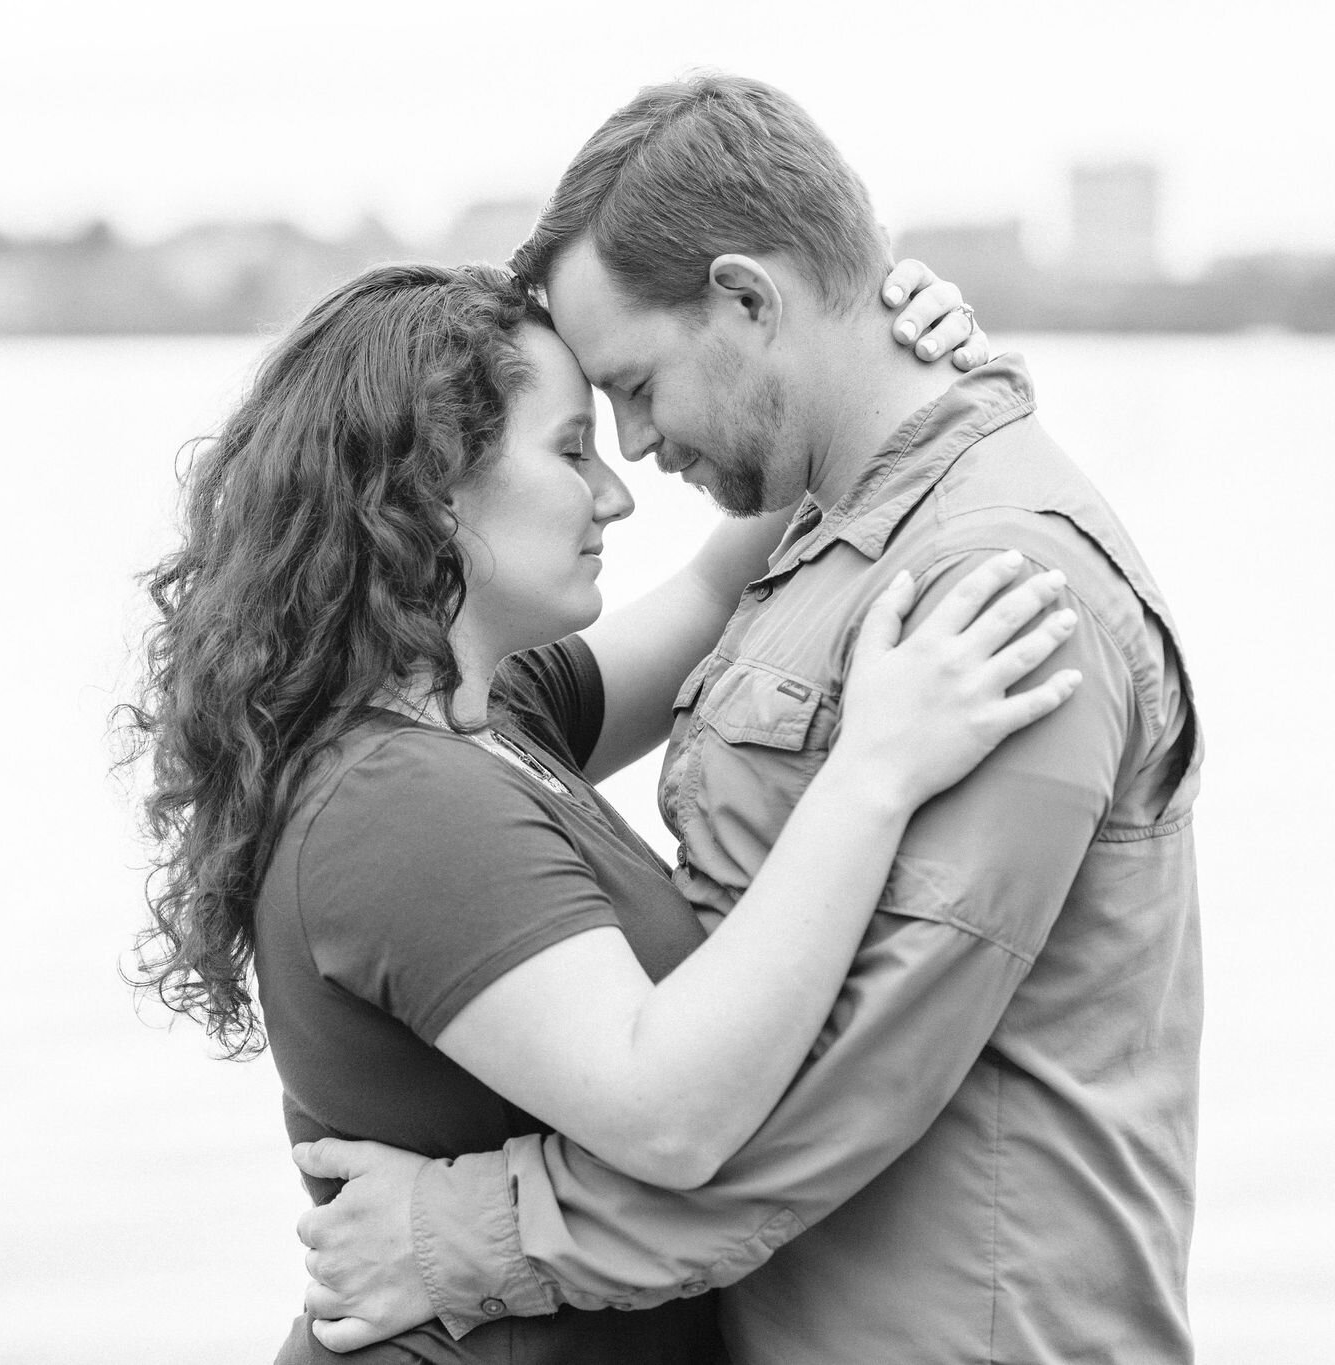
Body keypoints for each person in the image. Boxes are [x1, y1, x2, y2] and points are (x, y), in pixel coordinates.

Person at [290, 75, 1202, 1365]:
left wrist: (466, 1237)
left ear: (745, 298)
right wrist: (938, 367)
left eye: (636, 386)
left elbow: (850, 1077)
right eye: (584, 430)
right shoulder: (828, 533)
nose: (632, 448)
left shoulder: (993, 587)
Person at [125, 250, 1079, 1363]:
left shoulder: (489, 718)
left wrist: (887, 363)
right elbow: (668, 1116)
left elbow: (719, 587)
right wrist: (874, 771)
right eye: (571, 451)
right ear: (427, 489)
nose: (617, 492)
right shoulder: (397, 801)